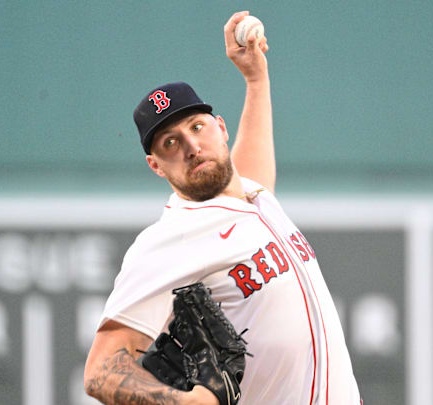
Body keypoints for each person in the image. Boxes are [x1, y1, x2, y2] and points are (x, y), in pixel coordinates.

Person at [84, 11, 361, 405]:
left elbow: (249, 176)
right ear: (155, 166)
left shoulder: (254, 196)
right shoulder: (169, 240)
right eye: (170, 143)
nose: (191, 146)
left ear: (221, 128)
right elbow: (100, 369)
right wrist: (181, 403)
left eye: (197, 127)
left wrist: (255, 79)